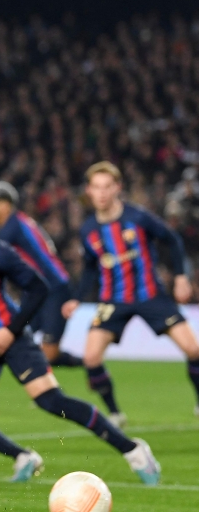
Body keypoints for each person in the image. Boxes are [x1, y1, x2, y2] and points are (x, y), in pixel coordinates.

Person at [0, 176, 160, 484]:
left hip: (11, 337)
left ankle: (133, 450)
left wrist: (10, 331)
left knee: (51, 401)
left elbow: (38, 288)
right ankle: (23, 457)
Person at [62, 161, 199, 420]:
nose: (102, 193)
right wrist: (77, 299)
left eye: (107, 187)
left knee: (194, 350)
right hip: (113, 301)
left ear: (117, 188)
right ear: (89, 191)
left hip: (150, 295)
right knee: (91, 357)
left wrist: (181, 276)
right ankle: (114, 413)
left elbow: (172, 239)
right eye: (96, 187)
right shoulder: (88, 230)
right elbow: (91, 268)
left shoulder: (137, 217)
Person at [0, 181, 125, 426]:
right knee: (19, 339)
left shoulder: (11, 227)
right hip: (36, 292)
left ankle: (107, 403)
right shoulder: (17, 222)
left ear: (4, 205)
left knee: (45, 352)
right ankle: (56, 380)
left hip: (53, 291)